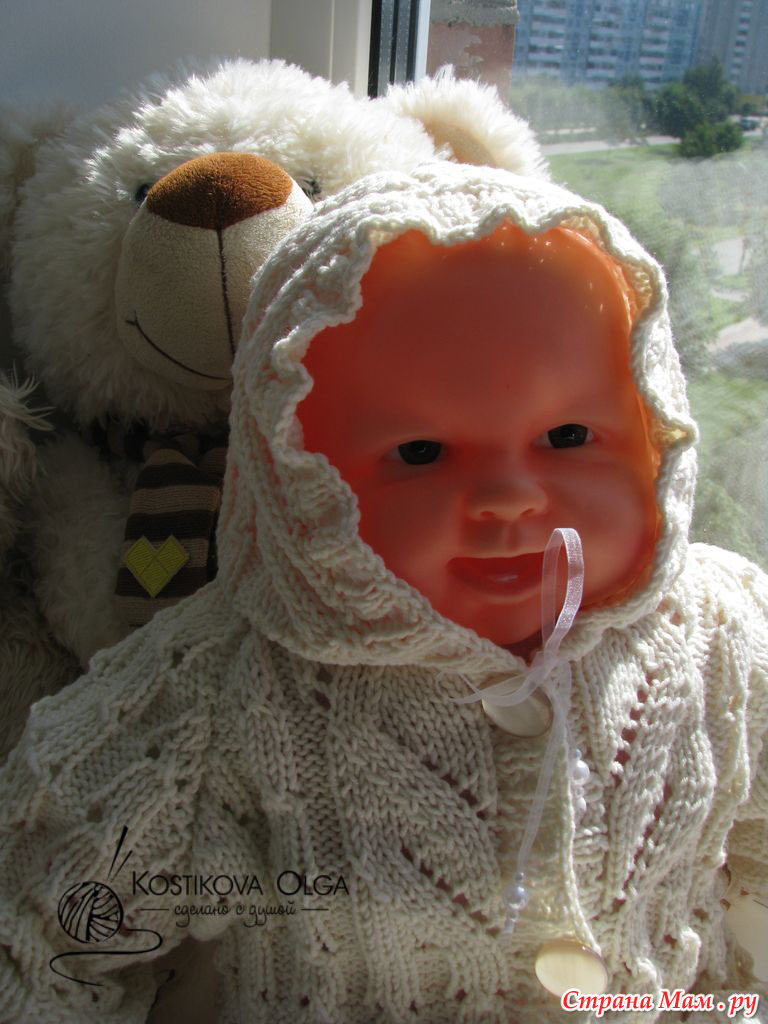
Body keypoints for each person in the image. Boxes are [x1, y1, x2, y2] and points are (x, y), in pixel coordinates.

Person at [0, 162, 766, 1024]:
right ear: (291, 471)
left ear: (656, 431)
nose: (510, 496)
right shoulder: (214, 690)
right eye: (420, 453)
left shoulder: (724, 631)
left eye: (567, 435)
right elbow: (33, 929)